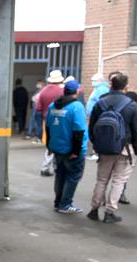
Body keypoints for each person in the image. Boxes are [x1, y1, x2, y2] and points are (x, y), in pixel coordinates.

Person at [86, 72, 137, 223]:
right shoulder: (131, 104)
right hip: (125, 149)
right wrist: (136, 149)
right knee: (118, 181)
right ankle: (109, 213)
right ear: (126, 87)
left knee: (101, 180)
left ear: (111, 85)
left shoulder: (100, 102)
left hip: (104, 148)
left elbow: (92, 127)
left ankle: (93, 209)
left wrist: (97, 144)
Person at [45, 80, 88, 214]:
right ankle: (65, 204)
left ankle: (58, 203)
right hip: (72, 150)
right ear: (77, 91)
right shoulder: (77, 107)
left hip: (57, 147)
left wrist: (49, 146)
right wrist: (76, 151)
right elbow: (79, 131)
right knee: (73, 176)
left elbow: (48, 127)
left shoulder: (53, 106)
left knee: (60, 175)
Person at [36, 69, 66, 176]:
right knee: (60, 143)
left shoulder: (43, 91)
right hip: (61, 120)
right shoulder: (63, 91)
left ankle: (45, 167)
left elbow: (38, 108)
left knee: (50, 144)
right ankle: (57, 167)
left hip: (47, 120)